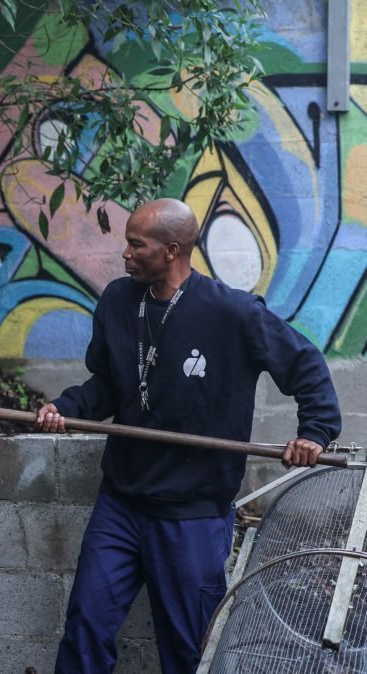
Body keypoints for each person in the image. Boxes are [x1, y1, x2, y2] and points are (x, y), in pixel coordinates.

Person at [35, 198, 342, 673]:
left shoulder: (233, 313)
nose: (125, 255)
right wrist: (66, 408)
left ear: (172, 250)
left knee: (188, 649)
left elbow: (306, 365)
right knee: (85, 628)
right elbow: (108, 386)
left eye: (136, 245)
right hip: (121, 503)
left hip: (191, 515)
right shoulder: (118, 301)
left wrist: (315, 433)